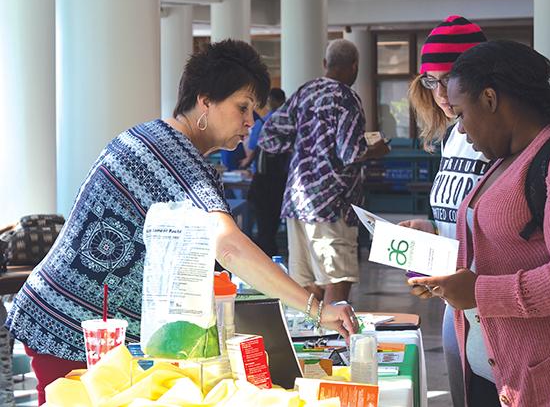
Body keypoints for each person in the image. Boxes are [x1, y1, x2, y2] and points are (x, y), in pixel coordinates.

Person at [6, 40, 358, 405]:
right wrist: (317, 309)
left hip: (84, 324)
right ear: (205, 100)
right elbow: (230, 245)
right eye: (242, 107)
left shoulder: (159, 141)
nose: (250, 122)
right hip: (72, 326)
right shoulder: (169, 154)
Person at [408, 40, 550, 405]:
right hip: (506, 373)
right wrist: (440, 260)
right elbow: (502, 249)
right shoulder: (509, 157)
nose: (462, 130)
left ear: (490, 98)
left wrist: (479, 293)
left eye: (460, 113)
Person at [258, 39, 389, 304]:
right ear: (355, 67)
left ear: (325, 64)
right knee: (336, 282)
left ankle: (310, 343)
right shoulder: (346, 98)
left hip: (297, 201)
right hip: (332, 205)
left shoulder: (304, 92)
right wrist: (376, 150)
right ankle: (335, 344)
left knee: (306, 288)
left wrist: (304, 148)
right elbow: (350, 153)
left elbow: (269, 138)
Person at [401, 15, 488, 407]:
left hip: (492, 301)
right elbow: (457, 218)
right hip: (455, 306)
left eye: (448, 78)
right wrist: (429, 230)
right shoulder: (453, 135)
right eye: (430, 81)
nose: (439, 92)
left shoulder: (498, 138)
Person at [245, 88, 290, 257]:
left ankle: (266, 256)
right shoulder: (291, 123)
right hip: (282, 180)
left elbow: (252, 148)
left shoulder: (262, 123)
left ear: (271, 101)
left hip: (263, 180)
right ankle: (273, 254)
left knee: (263, 223)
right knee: (274, 222)